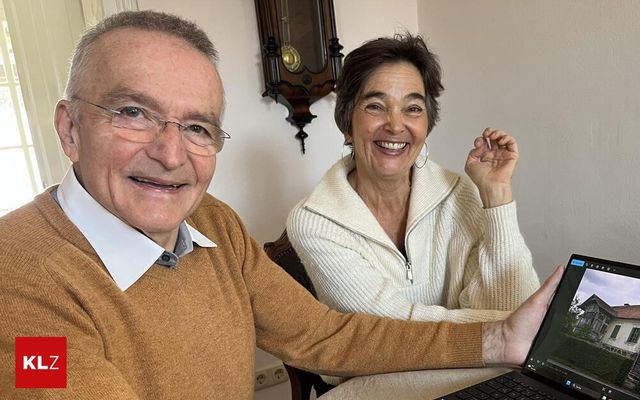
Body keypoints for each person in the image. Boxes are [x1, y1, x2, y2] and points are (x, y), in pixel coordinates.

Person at [0, 11, 562, 400]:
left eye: (197, 126)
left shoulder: (210, 221)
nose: (170, 154)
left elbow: (326, 336)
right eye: (131, 113)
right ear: (70, 128)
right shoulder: (16, 272)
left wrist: (500, 337)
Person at [287, 34, 540, 324]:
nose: (395, 125)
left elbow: (515, 306)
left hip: (486, 366)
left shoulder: (460, 195)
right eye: (375, 106)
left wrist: (497, 197)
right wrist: (504, 329)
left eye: (413, 109)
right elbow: (391, 329)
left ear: (427, 125)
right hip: (379, 369)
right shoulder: (313, 221)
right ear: (347, 124)